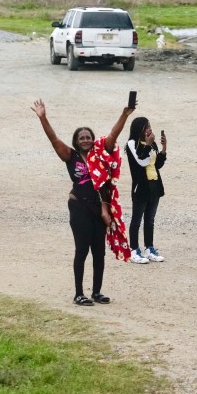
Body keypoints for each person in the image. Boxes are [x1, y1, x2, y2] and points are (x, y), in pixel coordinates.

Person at [31, 99, 134, 306]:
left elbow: (114, 135)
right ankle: (79, 293)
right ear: (76, 141)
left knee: (99, 251)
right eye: (81, 138)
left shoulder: (100, 153)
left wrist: (124, 115)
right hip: (79, 206)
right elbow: (53, 139)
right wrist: (43, 118)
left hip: (99, 208)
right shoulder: (70, 156)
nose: (85, 140)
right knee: (82, 250)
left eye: (88, 137)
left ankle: (96, 292)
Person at [124, 117, 167, 264]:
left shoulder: (152, 143)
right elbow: (142, 161)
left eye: (149, 126)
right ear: (139, 129)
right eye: (146, 127)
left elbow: (157, 165)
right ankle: (134, 250)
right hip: (141, 187)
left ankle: (149, 248)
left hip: (154, 185)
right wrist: (147, 145)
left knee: (150, 220)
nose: (149, 129)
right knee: (137, 219)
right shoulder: (131, 144)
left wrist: (163, 149)